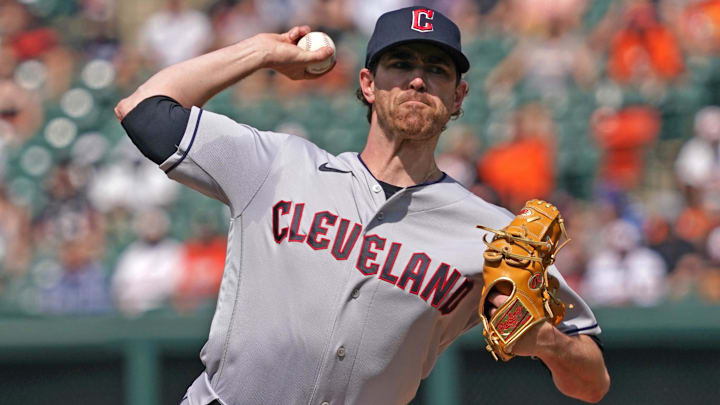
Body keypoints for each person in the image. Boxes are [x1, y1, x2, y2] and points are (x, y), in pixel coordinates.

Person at [115, 6, 609, 404]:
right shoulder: (277, 165)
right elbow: (142, 110)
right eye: (401, 65)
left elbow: (593, 382)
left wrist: (548, 342)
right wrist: (263, 52)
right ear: (368, 84)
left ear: (458, 97)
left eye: (437, 70)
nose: (418, 80)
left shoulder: (492, 234)